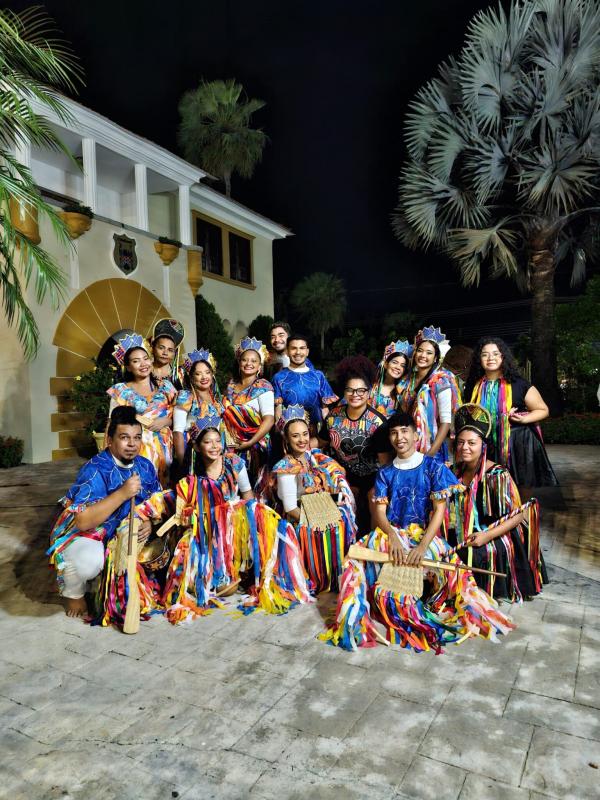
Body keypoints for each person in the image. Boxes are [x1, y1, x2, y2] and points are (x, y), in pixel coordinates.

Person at [321, 411, 514, 652]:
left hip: (424, 534)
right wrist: (391, 536)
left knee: (458, 577)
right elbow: (380, 513)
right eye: (394, 433)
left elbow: (439, 511)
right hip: (392, 532)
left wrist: (423, 546)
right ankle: (354, 622)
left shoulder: (433, 466)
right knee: (353, 561)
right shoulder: (386, 473)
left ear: (416, 434)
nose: (399, 437)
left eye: (404, 431)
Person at [163, 415, 311, 623]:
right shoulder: (191, 476)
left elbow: (248, 495)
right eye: (208, 442)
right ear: (196, 447)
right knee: (216, 587)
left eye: (217, 441)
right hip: (206, 531)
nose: (215, 446)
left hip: (235, 524)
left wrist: (253, 521)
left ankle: (241, 567)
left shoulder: (234, 463)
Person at [48, 407, 172, 624]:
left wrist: (150, 522)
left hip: (122, 531)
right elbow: (83, 521)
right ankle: (73, 592)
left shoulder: (145, 465)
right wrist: (122, 493)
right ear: (110, 439)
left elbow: (156, 502)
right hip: (88, 532)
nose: (132, 444)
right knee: (88, 561)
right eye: (124, 438)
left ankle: (110, 581)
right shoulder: (95, 469)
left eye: (136, 438)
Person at [449, 404, 547, 600]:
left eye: (471, 443)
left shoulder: (497, 474)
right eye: (460, 442)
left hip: (498, 531)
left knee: (474, 554)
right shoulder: (454, 472)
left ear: (483, 445)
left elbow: (518, 516)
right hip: (468, 530)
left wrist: (486, 536)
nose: (465, 448)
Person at [271, 405, 357, 593]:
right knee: (330, 528)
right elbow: (290, 508)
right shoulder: (285, 468)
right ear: (286, 438)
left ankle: (335, 576)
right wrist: (318, 522)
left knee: (344, 516)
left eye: (304, 434)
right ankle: (320, 576)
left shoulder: (315, 458)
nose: (302, 440)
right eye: (295, 436)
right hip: (300, 522)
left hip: (318, 511)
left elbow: (322, 493)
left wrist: (339, 501)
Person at [465, 337, 558, 488]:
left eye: (496, 354)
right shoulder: (473, 386)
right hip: (487, 443)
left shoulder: (518, 384)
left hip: (517, 442)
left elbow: (543, 410)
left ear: (503, 357)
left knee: (520, 487)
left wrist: (523, 419)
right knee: (490, 488)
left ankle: (522, 512)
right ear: (479, 359)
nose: (490, 358)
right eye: (485, 354)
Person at [320, 369, 392, 532]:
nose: (355, 394)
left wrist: (381, 490)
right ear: (344, 392)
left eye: (361, 390)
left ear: (368, 393)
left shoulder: (377, 422)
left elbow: (385, 464)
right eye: (350, 390)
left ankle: (374, 544)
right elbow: (320, 441)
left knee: (375, 500)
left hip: (374, 476)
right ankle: (345, 544)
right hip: (345, 474)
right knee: (344, 498)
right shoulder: (333, 417)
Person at [107, 333, 176, 488]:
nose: (143, 364)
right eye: (136, 361)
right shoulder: (121, 391)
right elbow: (111, 425)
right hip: (136, 450)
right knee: (139, 491)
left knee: (163, 494)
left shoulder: (167, 388)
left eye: (145, 358)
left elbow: (182, 418)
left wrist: (167, 421)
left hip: (165, 452)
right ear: (129, 367)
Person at [397, 326, 461, 462]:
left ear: (436, 357)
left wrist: (430, 455)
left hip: (431, 448)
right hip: (407, 445)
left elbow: (445, 422)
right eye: (420, 351)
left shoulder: (441, 380)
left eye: (429, 353)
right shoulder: (407, 380)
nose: (423, 356)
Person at [223, 337, 275, 484]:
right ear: (239, 363)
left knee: (254, 485)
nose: (249, 364)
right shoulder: (231, 386)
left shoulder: (263, 386)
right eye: (245, 360)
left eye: (254, 361)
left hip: (256, 447)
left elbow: (269, 419)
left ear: (259, 366)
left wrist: (250, 442)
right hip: (231, 446)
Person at [272, 334, 338, 437]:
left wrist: (328, 432)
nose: (298, 352)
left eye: (302, 348)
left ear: (307, 352)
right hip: (290, 434)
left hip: (316, 434)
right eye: (294, 348)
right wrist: (282, 433)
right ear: (287, 352)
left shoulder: (318, 376)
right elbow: (278, 410)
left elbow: (325, 409)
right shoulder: (279, 377)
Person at [173, 349, 223, 466]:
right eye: (198, 373)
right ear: (191, 377)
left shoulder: (217, 399)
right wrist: (182, 462)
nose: (204, 377)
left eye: (207, 372)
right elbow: (178, 432)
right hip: (192, 452)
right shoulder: (186, 397)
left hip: (213, 452)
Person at [370, 340, 412, 418]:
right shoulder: (371, 386)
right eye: (395, 362)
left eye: (402, 365)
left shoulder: (403, 393)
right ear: (385, 364)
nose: (398, 367)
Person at [151, 318, 185, 389]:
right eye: (161, 348)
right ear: (153, 348)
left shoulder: (180, 375)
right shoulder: (144, 370)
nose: (165, 353)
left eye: (170, 350)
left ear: (174, 353)